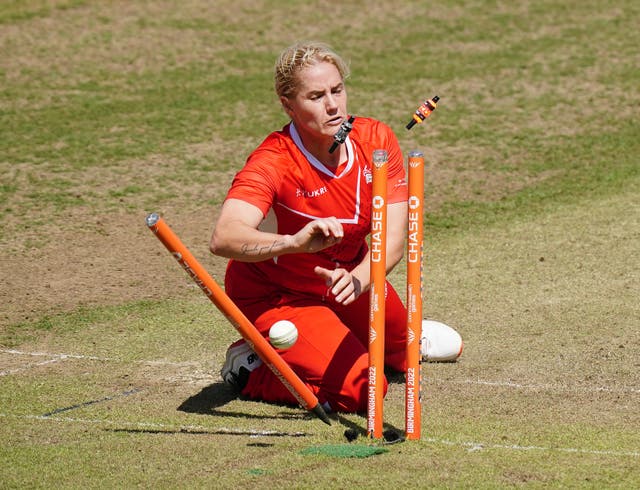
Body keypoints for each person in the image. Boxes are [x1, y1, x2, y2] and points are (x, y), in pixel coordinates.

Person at [210, 41, 462, 414]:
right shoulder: (272, 161)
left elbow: (395, 233)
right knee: (364, 391)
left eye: (337, 90)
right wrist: (292, 242)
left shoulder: (375, 139)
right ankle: (251, 367)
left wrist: (362, 277)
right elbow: (224, 237)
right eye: (316, 96)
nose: (332, 105)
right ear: (288, 104)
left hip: (348, 281)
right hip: (279, 295)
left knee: (419, 354)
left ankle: (389, 335)